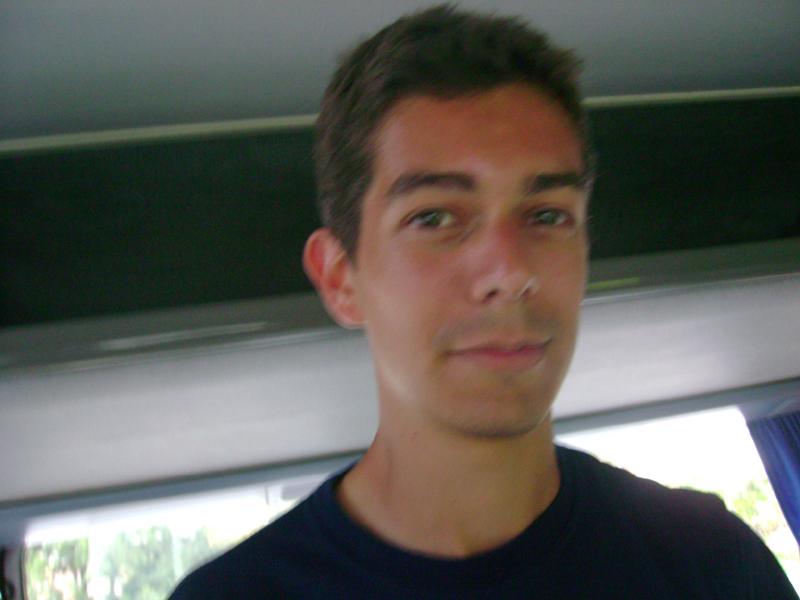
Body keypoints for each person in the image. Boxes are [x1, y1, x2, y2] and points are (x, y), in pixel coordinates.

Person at [169, 5, 798, 598]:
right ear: (340, 279)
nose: (510, 271)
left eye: (547, 215)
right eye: (434, 217)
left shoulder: (712, 563)